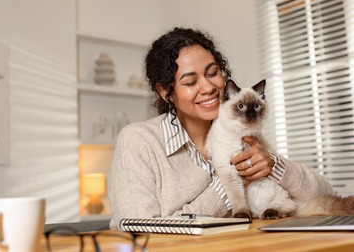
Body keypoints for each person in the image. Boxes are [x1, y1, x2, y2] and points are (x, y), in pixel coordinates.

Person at [108, 27, 333, 229]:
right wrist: (229, 186)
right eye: (190, 82)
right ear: (166, 92)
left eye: (212, 73)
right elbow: (137, 230)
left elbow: (324, 195)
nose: (208, 87)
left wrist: (274, 166)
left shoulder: (240, 130)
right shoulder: (139, 140)